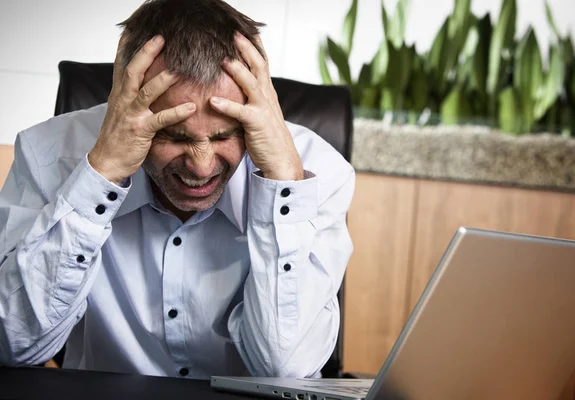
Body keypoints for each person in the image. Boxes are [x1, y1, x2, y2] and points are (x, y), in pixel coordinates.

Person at [0, 0, 354, 379]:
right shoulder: (47, 157)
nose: (201, 166)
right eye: (171, 133)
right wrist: (100, 174)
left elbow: (287, 368)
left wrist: (283, 183)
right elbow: (14, 346)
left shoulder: (317, 172)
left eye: (225, 135)